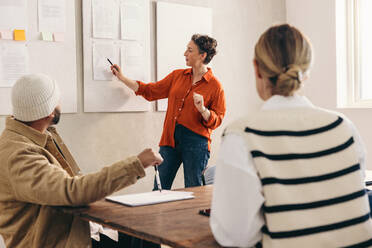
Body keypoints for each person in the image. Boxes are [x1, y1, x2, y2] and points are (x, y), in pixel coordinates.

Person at [210, 24, 372, 247]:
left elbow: (236, 235)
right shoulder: (344, 127)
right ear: (306, 72)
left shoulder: (242, 135)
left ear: (257, 69)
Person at [0, 74, 163, 248]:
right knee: (146, 237)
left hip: (73, 228)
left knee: (146, 234)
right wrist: (137, 164)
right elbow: (72, 190)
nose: (60, 103)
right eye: (57, 99)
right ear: (49, 111)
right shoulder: (19, 155)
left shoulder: (36, 137)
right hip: (59, 241)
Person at [111, 34, 226, 189]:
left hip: (196, 143)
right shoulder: (177, 76)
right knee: (159, 189)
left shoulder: (215, 86)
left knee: (194, 190)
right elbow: (150, 91)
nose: (185, 53)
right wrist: (122, 77)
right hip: (170, 139)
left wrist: (203, 110)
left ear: (202, 55)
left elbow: (217, 119)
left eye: (190, 50)